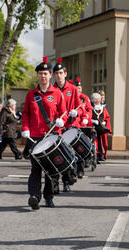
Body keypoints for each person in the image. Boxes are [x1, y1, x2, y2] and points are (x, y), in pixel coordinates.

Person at [21, 56, 67, 210]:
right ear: (37, 76)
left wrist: (61, 121)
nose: (43, 76)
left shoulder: (57, 93)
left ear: (50, 76)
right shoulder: (31, 94)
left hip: (51, 136)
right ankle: (34, 196)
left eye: (46, 73)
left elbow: (64, 112)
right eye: (40, 73)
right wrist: (25, 128)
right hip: (34, 136)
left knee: (50, 168)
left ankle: (49, 197)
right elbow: (26, 113)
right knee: (36, 168)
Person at [53, 58, 82, 192]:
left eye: (60, 73)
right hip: (57, 127)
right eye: (56, 73)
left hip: (70, 125)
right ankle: (54, 183)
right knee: (55, 156)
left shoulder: (73, 89)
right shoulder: (51, 89)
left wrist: (76, 112)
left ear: (65, 73)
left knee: (67, 155)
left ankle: (66, 181)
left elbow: (80, 106)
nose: (58, 75)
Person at [73, 78, 94, 169]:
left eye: (80, 88)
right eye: (77, 88)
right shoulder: (72, 97)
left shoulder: (84, 98)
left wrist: (86, 118)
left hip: (84, 124)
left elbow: (89, 110)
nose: (79, 90)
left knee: (85, 143)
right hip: (74, 124)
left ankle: (87, 158)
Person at [90, 92, 111, 162]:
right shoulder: (90, 107)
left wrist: (105, 122)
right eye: (96, 100)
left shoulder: (103, 108)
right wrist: (92, 121)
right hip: (93, 127)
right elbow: (88, 115)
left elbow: (107, 116)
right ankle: (96, 156)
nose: (98, 101)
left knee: (103, 142)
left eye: (98, 99)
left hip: (101, 128)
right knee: (95, 142)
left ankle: (102, 155)